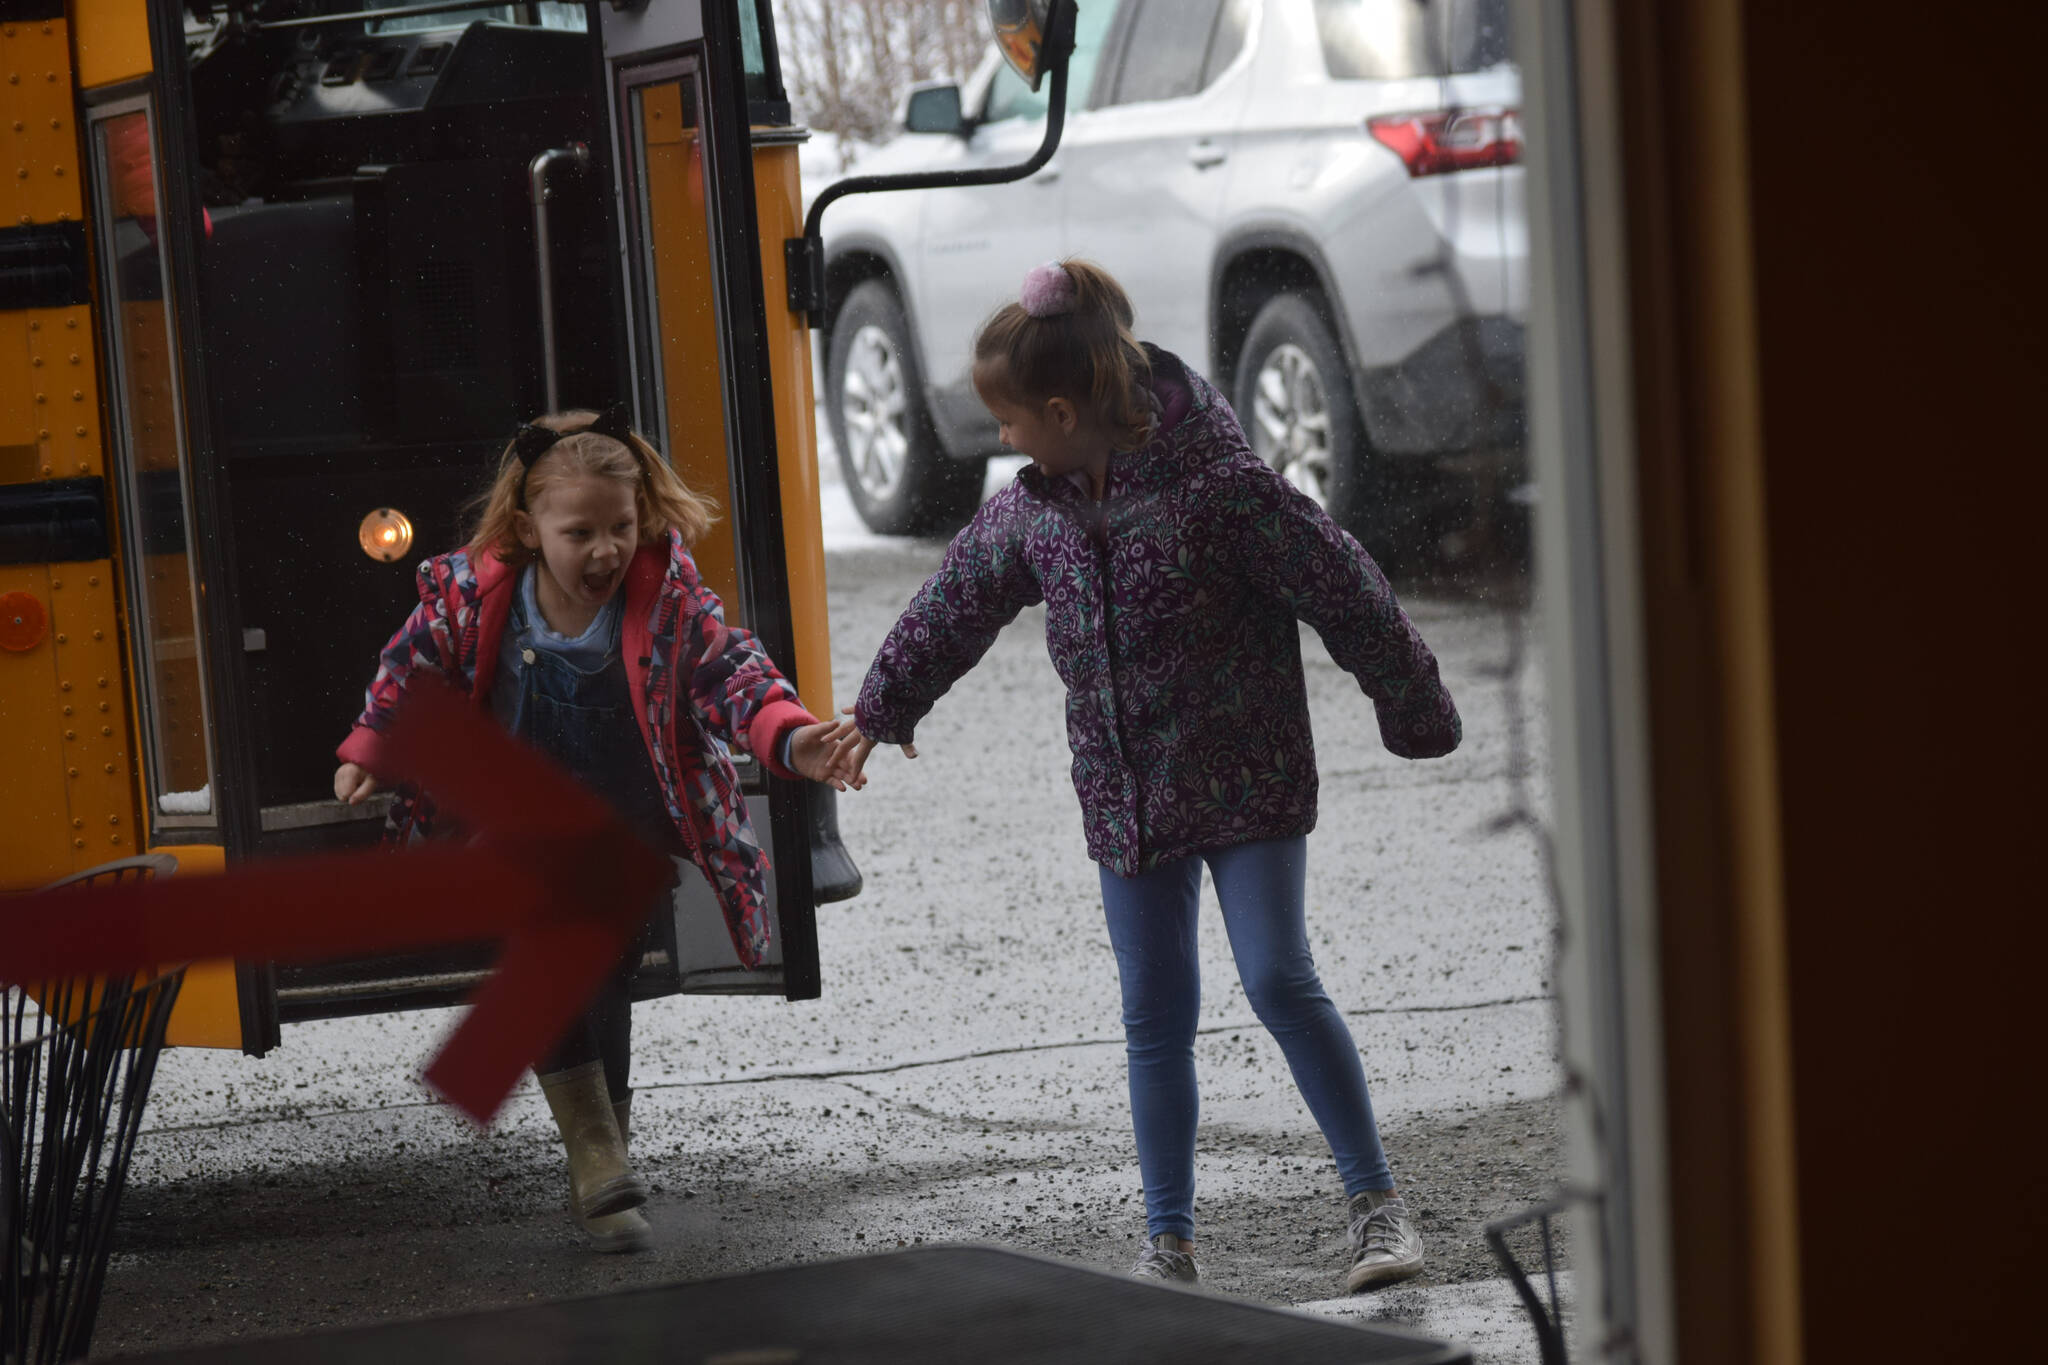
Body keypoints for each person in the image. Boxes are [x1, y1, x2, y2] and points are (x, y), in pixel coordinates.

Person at [838, 261, 1462, 1293]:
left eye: (1008, 420)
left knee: (1275, 978)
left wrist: (1412, 705)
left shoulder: (1221, 489)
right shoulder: (1032, 512)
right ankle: (1165, 1243)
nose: (1001, 440)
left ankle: (1377, 1207)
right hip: (1126, 793)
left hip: (1244, 777)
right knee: (1153, 1011)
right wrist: (879, 710)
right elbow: (953, 602)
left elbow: (1344, 584)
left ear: (1059, 409)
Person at [333, 404, 858, 1254]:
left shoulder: (668, 602)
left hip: (625, 826)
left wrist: (794, 738)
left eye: (622, 526)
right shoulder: (471, 597)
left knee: (604, 974)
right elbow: (409, 667)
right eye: (580, 531)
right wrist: (373, 748)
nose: (606, 550)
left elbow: (734, 675)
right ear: (527, 528)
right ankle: (593, 1151)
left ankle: (604, 1153)